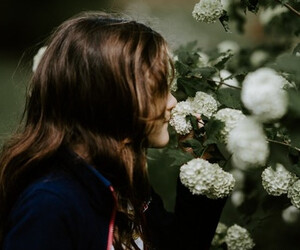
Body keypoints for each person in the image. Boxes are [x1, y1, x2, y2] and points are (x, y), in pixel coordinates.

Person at [0, 12, 226, 250]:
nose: (172, 102)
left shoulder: (123, 183)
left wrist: (201, 166)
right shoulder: (49, 206)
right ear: (112, 100)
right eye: (159, 89)